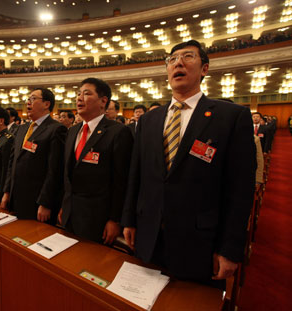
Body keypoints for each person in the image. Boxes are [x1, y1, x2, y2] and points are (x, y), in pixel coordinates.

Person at [122, 39, 256, 288]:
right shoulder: (150, 120)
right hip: (149, 235)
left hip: (200, 242)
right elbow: (136, 175)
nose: (178, 63)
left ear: (204, 69)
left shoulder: (231, 117)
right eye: (172, 60)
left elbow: (240, 189)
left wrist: (230, 247)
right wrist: (129, 219)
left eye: (187, 57)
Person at [58, 78, 133, 244]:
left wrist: (115, 219)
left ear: (103, 101)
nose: (79, 98)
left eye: (86, 94)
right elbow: (68, 173)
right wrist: (65, 205)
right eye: (78, 94)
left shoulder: (118, 132)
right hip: (71, 213)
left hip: (98, 217)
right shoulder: (73, 131)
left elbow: (121, 181)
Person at [1, 88, 67, 225]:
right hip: (15, 197)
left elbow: (54, 170)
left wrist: (45, 203)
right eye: (28, 99)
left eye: (33, 99)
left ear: (46, 104)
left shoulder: (56, 129)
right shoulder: (22, 128)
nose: (28, 103)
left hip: (37, 202)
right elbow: (13, 162)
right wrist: (7, 191)